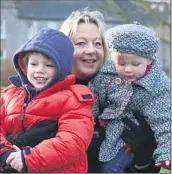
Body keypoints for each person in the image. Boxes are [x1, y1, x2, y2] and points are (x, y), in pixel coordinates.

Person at [2, 8, 161, 173]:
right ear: (62, 52)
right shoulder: (28, 96)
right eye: (81, 43)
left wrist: (144, 157)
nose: (91, 50)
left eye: (98, 43)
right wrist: (16, 144)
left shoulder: (125, 96)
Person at [0, 28, 95, 173]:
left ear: (62, 69)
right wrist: (6, 152)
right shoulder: (11, 93)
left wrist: (28, 158)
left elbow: (73, 141)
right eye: (34, 64)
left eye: (49, 65)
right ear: (24, 66)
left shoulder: (74, 99)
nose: (39, 70)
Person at [88, 22, 171, 172]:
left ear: (149, 61)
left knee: (111, 167)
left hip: (132, 136)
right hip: (108, 132)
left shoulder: (158, 86)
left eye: (135, 64)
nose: (127, 69)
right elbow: (92, 97)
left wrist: (166, 151)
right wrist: (87, 120)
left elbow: (165, 121)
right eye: (121, 63)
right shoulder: (107, 75)